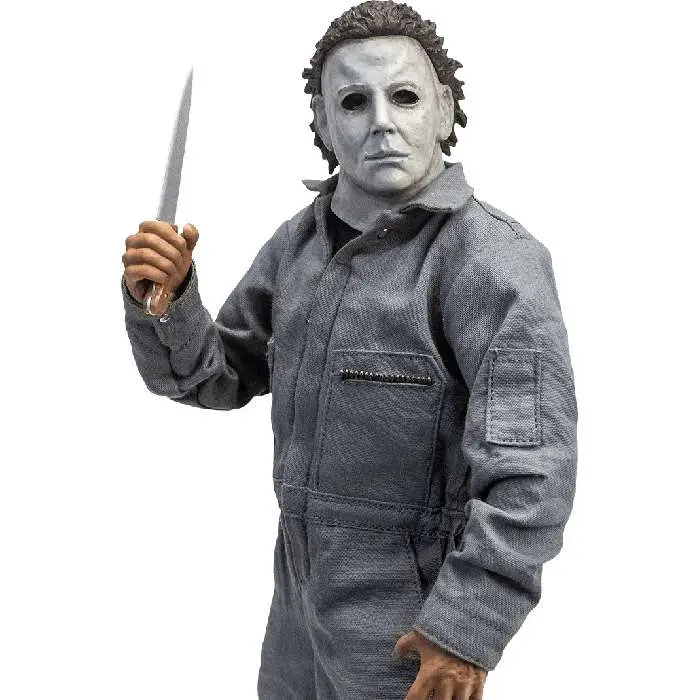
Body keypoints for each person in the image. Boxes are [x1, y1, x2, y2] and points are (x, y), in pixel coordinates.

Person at [121, 2, 577, 698]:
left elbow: (531, 472)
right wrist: (168, 300)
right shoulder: (299, 245)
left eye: (405, 96)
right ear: (324, 124)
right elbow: (217, 376)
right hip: (297, 599)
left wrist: (466, 627)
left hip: (407, 616)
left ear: (445, 108)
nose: (382, 122)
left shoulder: (491, 263)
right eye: (354, 102)